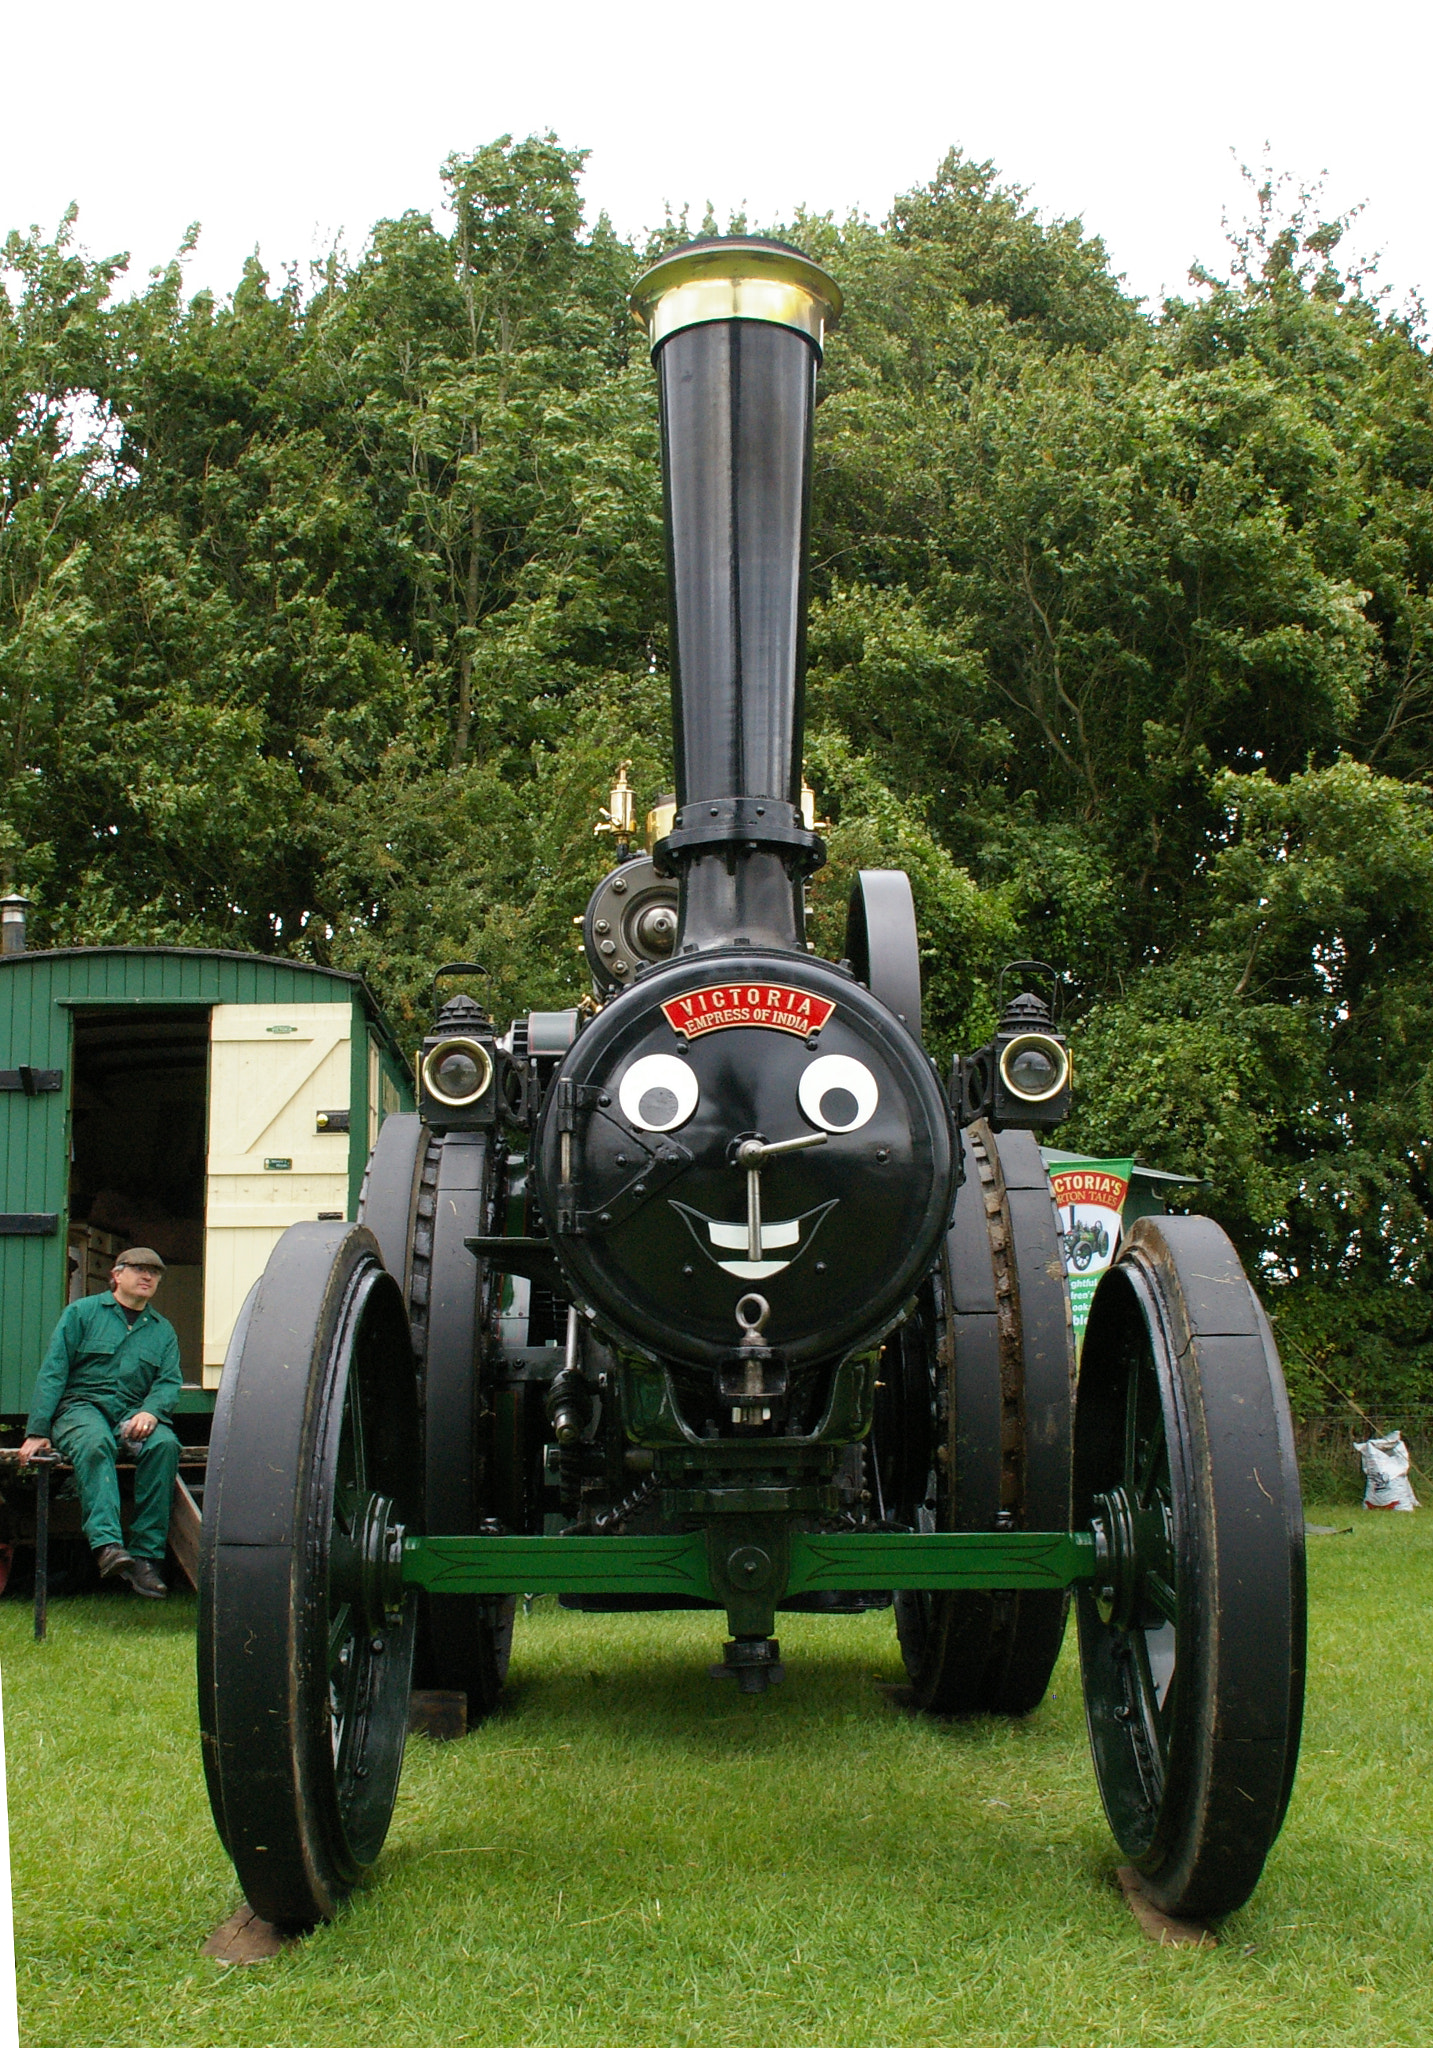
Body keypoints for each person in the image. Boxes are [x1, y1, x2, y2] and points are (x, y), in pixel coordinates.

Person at [19, 1248, 182, 1599]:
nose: (148, 1277)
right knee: (95, 1443)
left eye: (155, 1273)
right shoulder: (81, 1313)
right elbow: (53, 1371)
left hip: (133, 1413)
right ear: (116, 1274)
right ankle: (108, 1547)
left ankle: (145, 1558)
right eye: (139, 1269)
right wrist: (37, 1432)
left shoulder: (162, 1330)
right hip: (81, 1408)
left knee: (165, 1445)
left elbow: (168, 1382)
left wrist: (151, 1412)